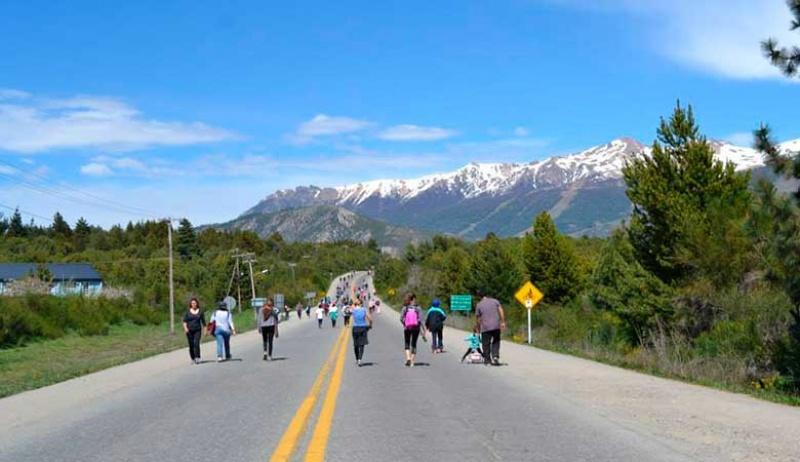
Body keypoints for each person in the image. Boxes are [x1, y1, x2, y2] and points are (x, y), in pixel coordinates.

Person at [475, 290, 505, 366]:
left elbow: (478, 319)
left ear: (479, 296)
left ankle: (487, 360)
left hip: (485, 327)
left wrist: (478, 330)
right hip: (496, 326)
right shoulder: (495, 301)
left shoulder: (479, 305)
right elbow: (501, 310)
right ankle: (495, 356)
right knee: (496, 341)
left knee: (486, 344)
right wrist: (502, 321)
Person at [400, 293, 426, 367]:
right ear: (413, 299)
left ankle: (408, 358)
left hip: (407, 328)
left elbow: (401, 318)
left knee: (407, 343)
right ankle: (412, 361)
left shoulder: (405, 308)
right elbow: (421, 320)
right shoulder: (418, 308)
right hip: (416, 328)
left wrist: (405, 324)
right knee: (414, 344)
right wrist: (424, 330)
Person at [182, 298, 206, 364]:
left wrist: (205, 330)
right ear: (190, 304)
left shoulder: (200, 312)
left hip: (197, 330)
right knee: (191, 345)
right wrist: (185, 328)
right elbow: (184, 321)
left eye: (195, 303)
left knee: (196, 343)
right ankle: (192, 358)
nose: (194, 304)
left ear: (197, 304)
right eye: (192, 303)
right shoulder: (187, 312)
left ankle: (197, 357)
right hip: (189, 331)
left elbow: (203, 322)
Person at [351, 299, 372, 366]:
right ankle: (360, 359)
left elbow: (351, 306)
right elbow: (370, 319)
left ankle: (357, 359)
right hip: (363, 328)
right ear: (361, 304)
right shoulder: (364, 309)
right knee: (361, 344)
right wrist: (370, 325)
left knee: (355, 344)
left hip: (355, 328)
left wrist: (354, 303)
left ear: (356, 304)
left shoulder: (353, 310)